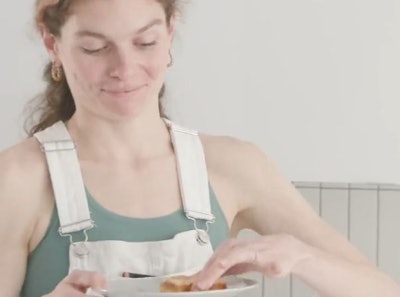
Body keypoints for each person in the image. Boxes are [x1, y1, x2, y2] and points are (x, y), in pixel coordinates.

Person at [0, 0, 399, 296]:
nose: (124, 68)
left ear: (170, 31)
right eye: (94, 48)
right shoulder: (17, 180)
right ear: (51, 42)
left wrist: (302, 256)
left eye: (145, 42)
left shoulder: (233, 166)